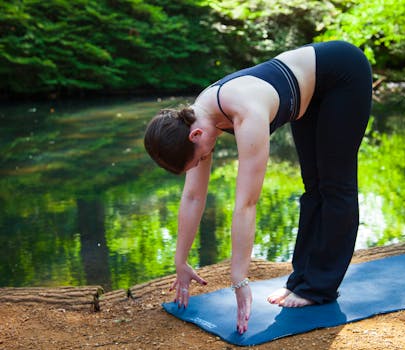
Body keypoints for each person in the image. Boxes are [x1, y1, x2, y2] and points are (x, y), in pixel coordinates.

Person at [144, 40, 372, 334]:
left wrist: (239, 278)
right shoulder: (195, 118)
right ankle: (303, 280)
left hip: (343, 75)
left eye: (200, 157)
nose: (203, 161)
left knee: (335, 185)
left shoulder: (246, 113)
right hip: (310, 92)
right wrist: (180, 260)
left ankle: (318, 287)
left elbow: (246, 203)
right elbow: (192, 196)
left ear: (195, 135)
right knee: (314, 187)